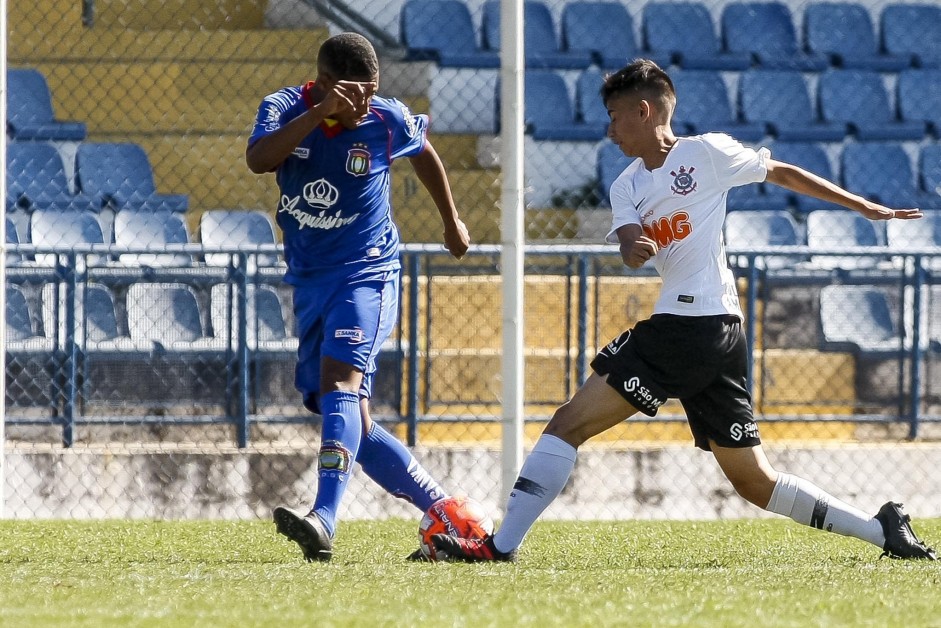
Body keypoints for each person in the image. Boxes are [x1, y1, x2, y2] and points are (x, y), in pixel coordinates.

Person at [433, 59, 936, 563]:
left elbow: (781, 171)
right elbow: (630, 240)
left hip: (690, 327)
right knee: (754, 482)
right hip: (717, 334)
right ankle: (881, 530)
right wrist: (633, 249)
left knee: (567, 424)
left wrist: (864, 207)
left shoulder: (706, 154)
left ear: (644, 111)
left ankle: (500, 547)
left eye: (614, 116)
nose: (609, 131)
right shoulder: (627, 184)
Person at [246, 32, 470, 562]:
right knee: (350, 419)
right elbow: (259, 159)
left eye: (372, 92)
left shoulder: (385, 119)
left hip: (368, 271)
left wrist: (451, 218)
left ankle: (324, 518)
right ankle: (445, 512)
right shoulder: (283, 107)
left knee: (341, 384)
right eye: (354, 93)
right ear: (324, 84)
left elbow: (425, 152)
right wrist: (318, 113)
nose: (366, 104)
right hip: (309, 280)